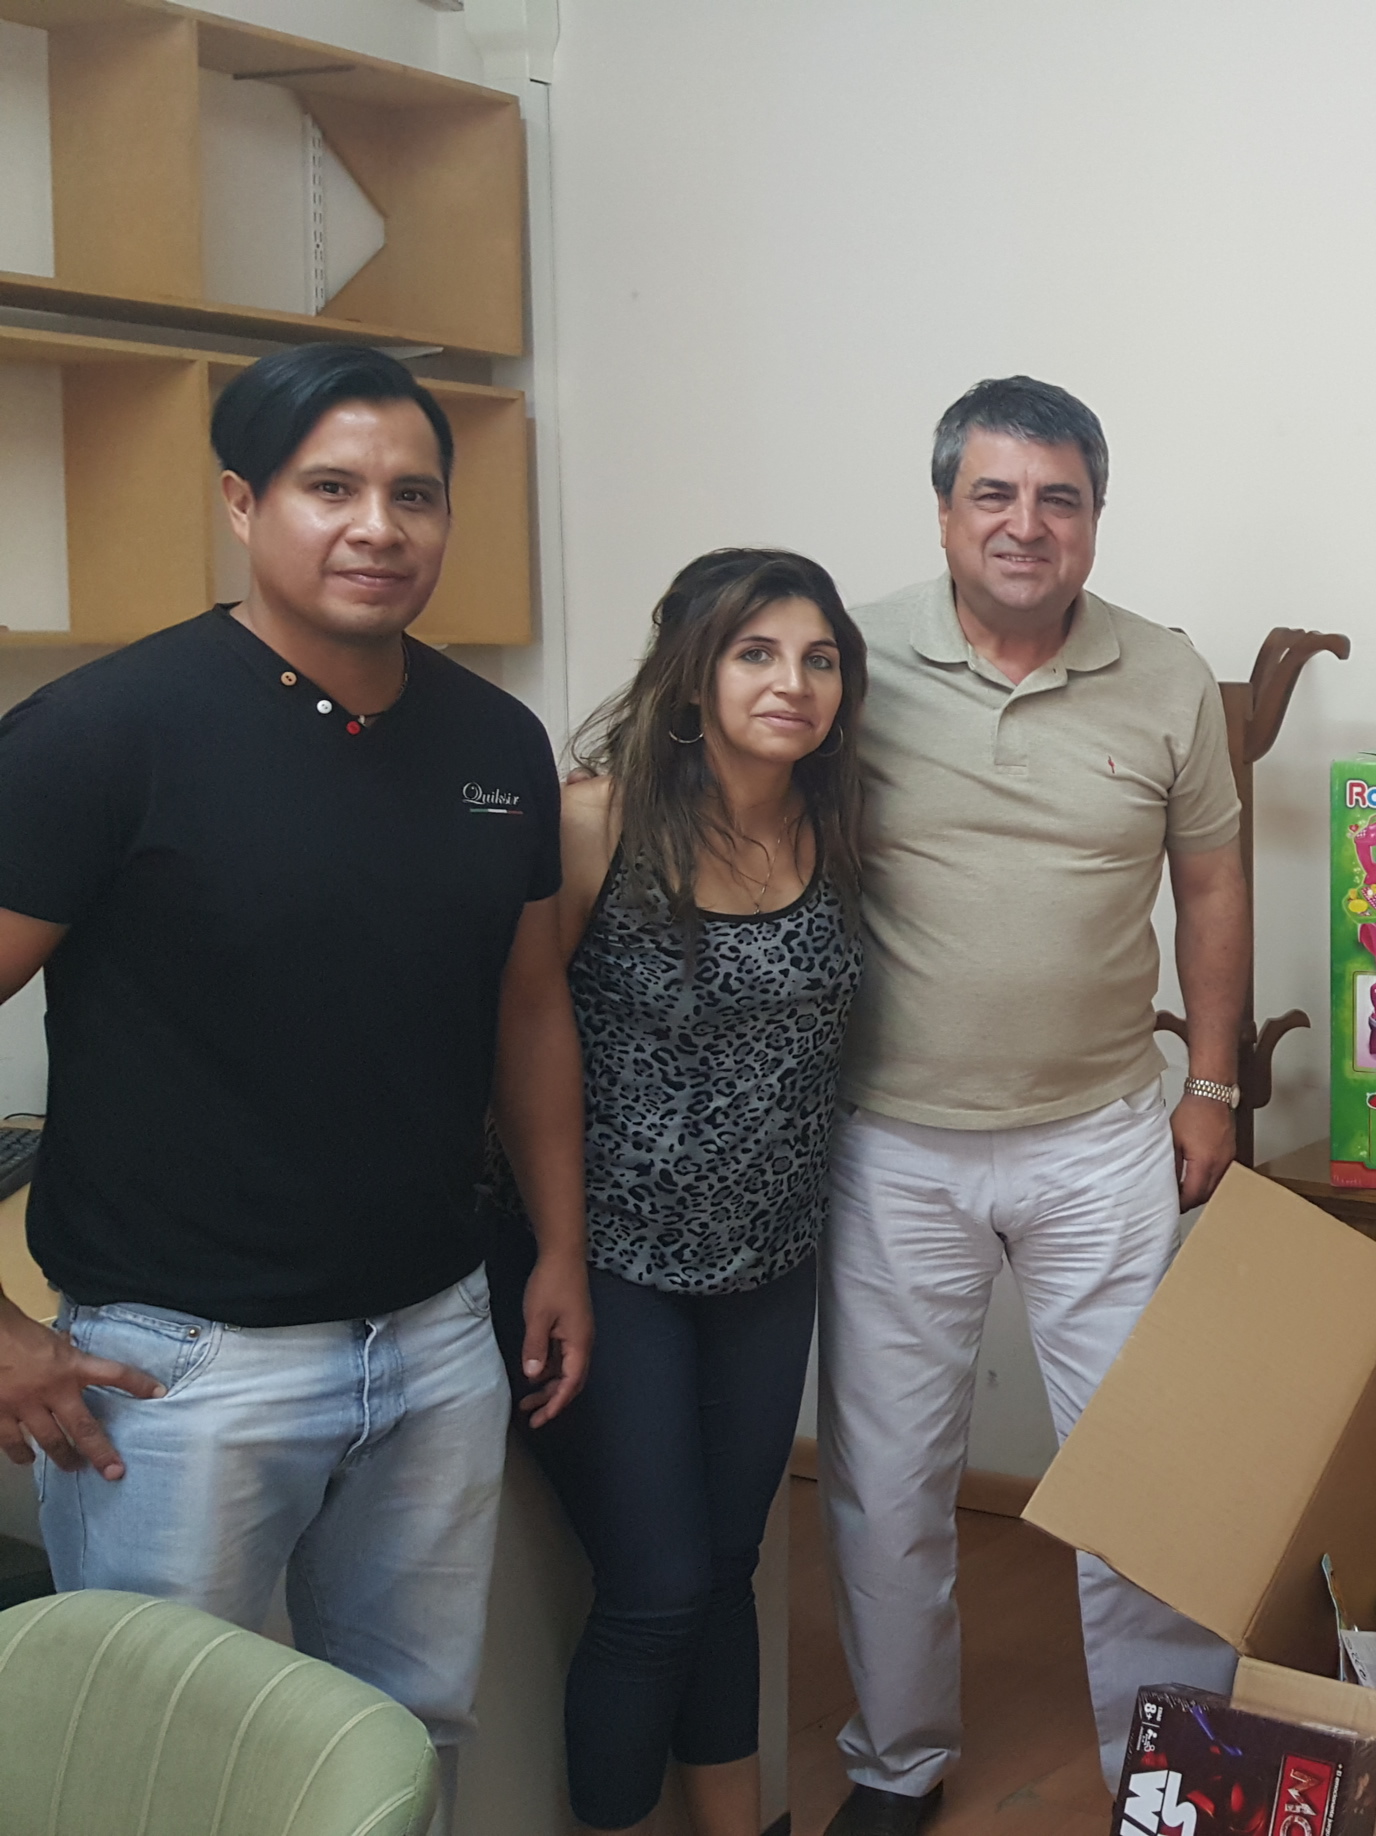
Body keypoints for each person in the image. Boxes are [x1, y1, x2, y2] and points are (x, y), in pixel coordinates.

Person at [0, 342, 592, 1800]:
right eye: (330, 487)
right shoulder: (100, 738)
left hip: (436, 1338)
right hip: (177, 1368)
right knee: (156, 1779)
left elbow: (526, 1012)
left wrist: (562, 1246)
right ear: (240, 503)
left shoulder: (496, 747)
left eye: (413, 494)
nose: (377, 527)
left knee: (401, 1752)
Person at [819, 376, 1248, 1835]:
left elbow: (1213, 882)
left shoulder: (1166, 672)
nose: (1026, 524)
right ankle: (896, 1759)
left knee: (1141, 1470)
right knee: (887, 1482)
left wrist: (1214, 1085)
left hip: (1101, 1137)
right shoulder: (850, 660)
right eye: (994, 494)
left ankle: (1169, 1766)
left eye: (1058, 498)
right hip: (892, 1141)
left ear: (1094, 520)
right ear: (944, 510)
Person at [485, 549, 868, 1833]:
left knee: (726, 1571)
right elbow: (515, 1029)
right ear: (693, 672)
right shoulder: (598, 816)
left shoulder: (840, 824)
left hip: (768, 1262)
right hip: (606, 1264)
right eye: (758, 653)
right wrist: (554, 1247)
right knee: (652, 1588)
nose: (792, 682)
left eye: (819, 658)